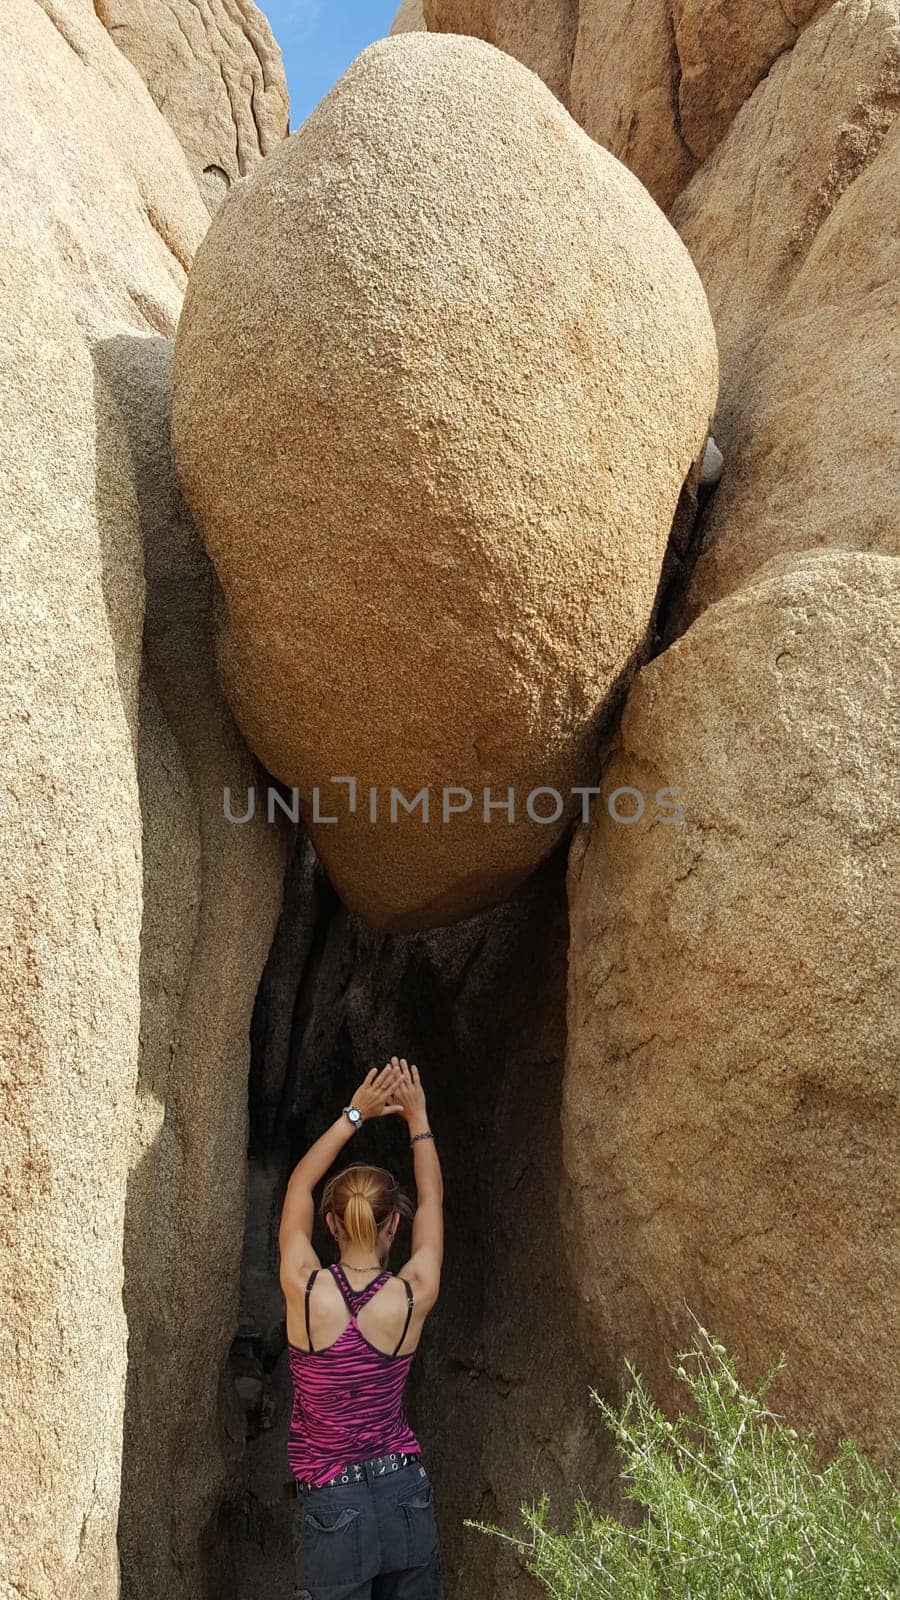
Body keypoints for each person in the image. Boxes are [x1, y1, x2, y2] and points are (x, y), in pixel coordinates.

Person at [279, 1054, 444, 1599]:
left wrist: (356, 1114)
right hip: (403, 1492)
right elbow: (435, 1201)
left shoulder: (304, 1288)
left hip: (332, 1503)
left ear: (331, 1224)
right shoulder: (412, 1293)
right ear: (395, 1223)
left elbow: (300, 1189)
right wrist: (415, 1118)